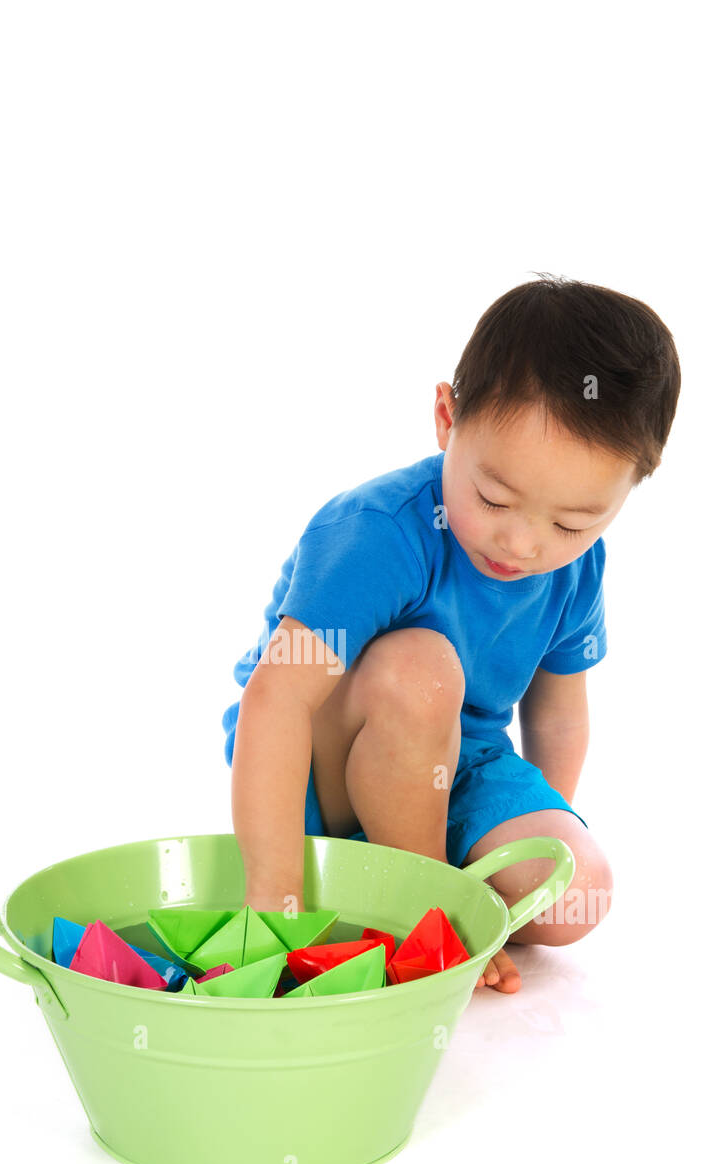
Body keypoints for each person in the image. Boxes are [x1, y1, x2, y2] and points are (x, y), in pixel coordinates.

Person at [221, 273, 681, 991]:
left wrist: (540, 823)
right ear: (446, 418)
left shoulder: (578, 569)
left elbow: (558, 718)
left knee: (575, 889)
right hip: (329, 757)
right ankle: (414, 907)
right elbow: (275, 701)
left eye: (571, 522)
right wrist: (272, 897)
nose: (523, 543)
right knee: (420, 668)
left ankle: (419, 890)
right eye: (493, 497)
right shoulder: (375, 533)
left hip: (457, 763)